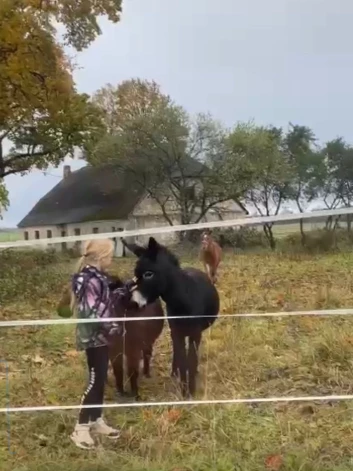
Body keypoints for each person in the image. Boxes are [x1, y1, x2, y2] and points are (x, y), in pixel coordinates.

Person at [70, 238, 126, 450]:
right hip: (93, 336)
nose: (112, 259)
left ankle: (96, 420)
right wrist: (112, 326)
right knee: (95, 379)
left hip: (99, 335)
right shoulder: (88, 279)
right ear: (102, 257)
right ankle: (81, 428)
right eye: (110, 255)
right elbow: (92, 310)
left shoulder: (96, 277)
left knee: (101, 377)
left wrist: (121, 292)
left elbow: (102, 302)